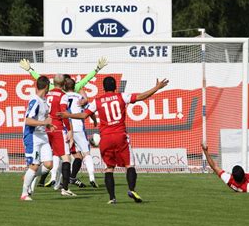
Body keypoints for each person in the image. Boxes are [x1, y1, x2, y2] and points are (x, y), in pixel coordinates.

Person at [59, 76, 169, 204]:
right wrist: (156, 87)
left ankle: (112, 198)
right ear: (115, 86)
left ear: (103, 88)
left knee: (109, 168)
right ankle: (132, 189)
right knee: (129, 165)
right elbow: (140, 97)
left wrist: (69, 115)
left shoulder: (98, 101)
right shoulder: (121, 96)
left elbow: (84, 115)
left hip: (105, 138)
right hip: (120, 136)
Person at [19, 57, 108, 187]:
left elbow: (39, 79)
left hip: (49, 127)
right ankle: (68, 182)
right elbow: (86, 80)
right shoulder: (75, 88)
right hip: (65, 126)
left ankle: (49, 181)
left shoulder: (51, 88)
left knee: (53, 156)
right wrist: (97, 69)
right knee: (69, 155)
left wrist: (30, 70)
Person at [21, 76, 56, 201]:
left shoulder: (44, 101)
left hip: (42, 135)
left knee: (49, 165)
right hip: (32, 136)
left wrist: (49, 125)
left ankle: (29, 174)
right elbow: (28, 121)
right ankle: (24, 194)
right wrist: (44, 123)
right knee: (35, 165)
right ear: (46, 87)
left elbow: (43, 119)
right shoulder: (35, 101)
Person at [63, 77, 99, 188]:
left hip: (65, 129)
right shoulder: (80, 98)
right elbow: (90, 111)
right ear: (75, 87)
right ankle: (92, 178)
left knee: (65, 156)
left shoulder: (62, 97)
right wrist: (94, 120)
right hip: (78, 128)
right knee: (86, 154)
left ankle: (60, 180)